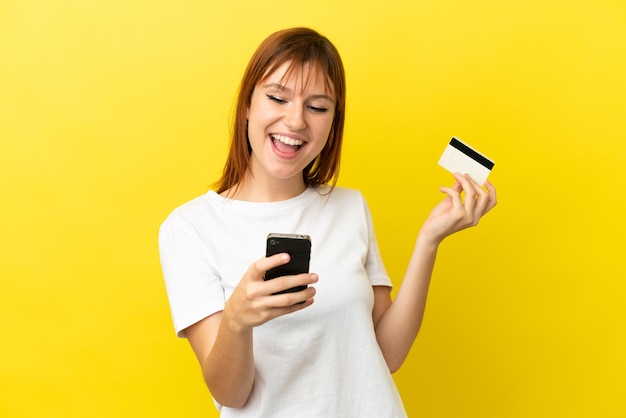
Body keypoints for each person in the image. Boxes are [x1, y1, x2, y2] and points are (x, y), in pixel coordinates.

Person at [158, 27, 497, 417]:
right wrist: (237, 320)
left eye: (317, 107)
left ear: (333, 121)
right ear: (247, 105)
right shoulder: (190, 228)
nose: (296, 121)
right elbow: (232, 394)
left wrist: (429, 241)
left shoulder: (350, 207)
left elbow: (386, 355)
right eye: (277, 98)